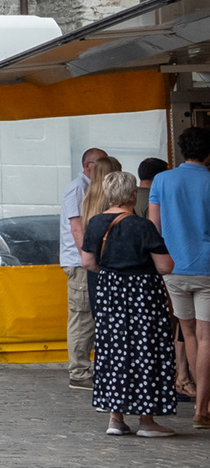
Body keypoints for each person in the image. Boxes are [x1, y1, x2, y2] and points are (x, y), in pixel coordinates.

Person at [83, 169, 178, 436]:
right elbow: (165, 266)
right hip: (142, 296)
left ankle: (116, 419)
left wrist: (113, 274)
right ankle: (146, 421)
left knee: (115, 351)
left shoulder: (96, 223)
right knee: (145, 350)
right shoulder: (142, 225)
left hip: (110, 294)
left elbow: (87, 262)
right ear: (132, 195)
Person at [150, 126, 210, 430]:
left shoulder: (162, 180)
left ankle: (199, 395)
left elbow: (154, 228)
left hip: (174, 268)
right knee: (206, 336)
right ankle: (203, 408)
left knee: (187, 333)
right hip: (208, 269)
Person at [61, 146, 108, 391]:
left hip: (84, 261)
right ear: (88, 165)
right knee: (82, 317)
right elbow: (76, 228)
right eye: (101, 163)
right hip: (80, 263)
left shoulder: (88, 188)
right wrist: (86, 257)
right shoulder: (78, 188)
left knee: (88, 315)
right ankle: (78, 372)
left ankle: (83, 369)